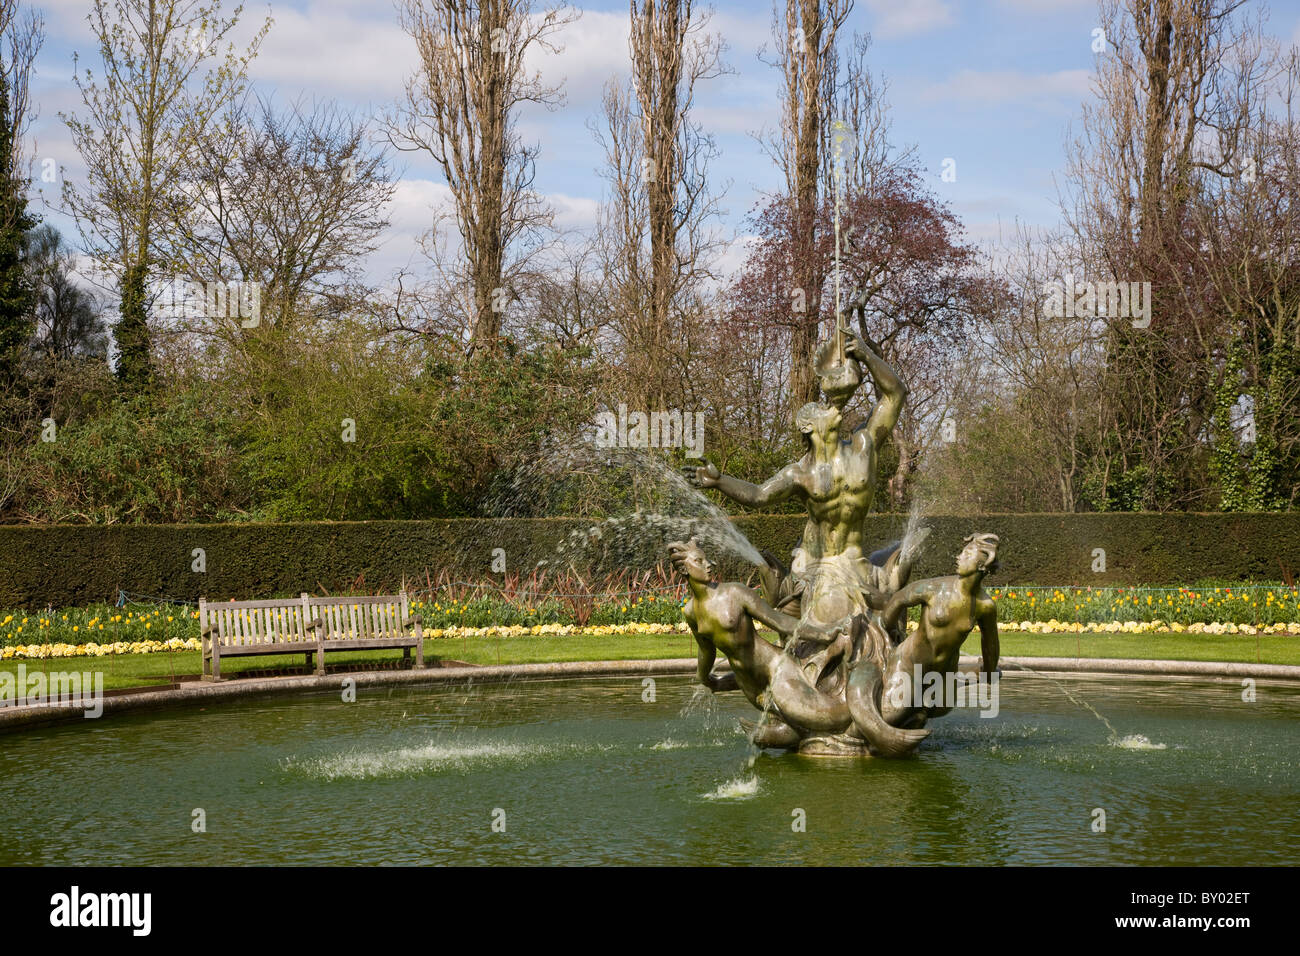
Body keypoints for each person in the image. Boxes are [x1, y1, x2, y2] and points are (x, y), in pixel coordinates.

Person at [669, 539, 853, 746]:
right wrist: (704, 677)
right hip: (747, 683)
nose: (708, 564)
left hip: (773, 667)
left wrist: (823, 634)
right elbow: (706, 650)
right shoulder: (691, 612)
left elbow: (779, 621)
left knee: (823, 717)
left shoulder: (734, 593)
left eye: (706, 559)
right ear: (685, 569)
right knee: (797, 722)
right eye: (699, 561)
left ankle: (856, 716)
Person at [865, 533, 1002, 731]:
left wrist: (989, 671)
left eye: (966, 554)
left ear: (981, 566)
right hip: (910, 664)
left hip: (943, 672)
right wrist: (885, 630)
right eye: (962, 552)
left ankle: (964, 680)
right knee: (890, 716)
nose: (959, 557)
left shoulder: (985, 606)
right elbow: (899, 599)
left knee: (942, 708)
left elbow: (990, 643)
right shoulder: (935, 588)